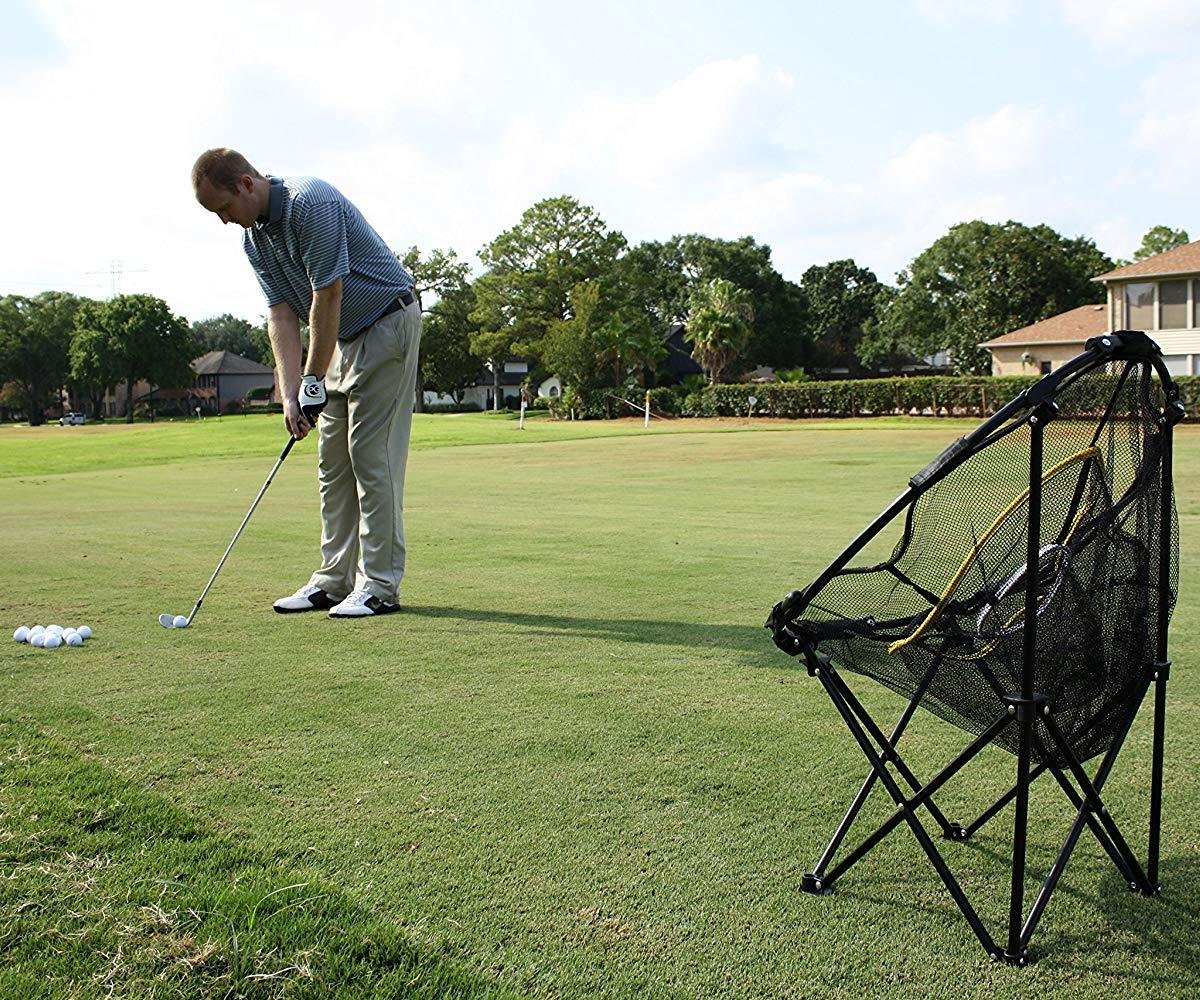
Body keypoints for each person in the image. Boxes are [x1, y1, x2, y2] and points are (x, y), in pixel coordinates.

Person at [191, 148, 421, 618]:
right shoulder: (255, 240)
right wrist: (291, 392)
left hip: (386, 322)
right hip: (341, 337)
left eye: (223, 208)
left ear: (246, 185)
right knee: (332, 461)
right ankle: (334, 580)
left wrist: (312, 380)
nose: (224, 221)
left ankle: (378, 585)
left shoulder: (309, 202)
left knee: (369, 455)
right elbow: (280, 314)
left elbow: (327, 294)